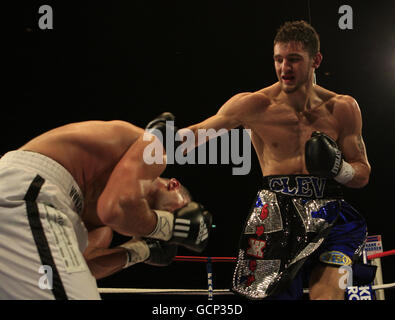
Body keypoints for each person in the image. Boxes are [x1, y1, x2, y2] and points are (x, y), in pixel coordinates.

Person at [181, 20, 371, 300]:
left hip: (331, 214)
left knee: (329, 296)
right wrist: (154, 139)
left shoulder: (343, 108)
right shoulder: (254, 105)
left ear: (316, 60)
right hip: (276, 217)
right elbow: (196, 135)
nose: (285, 68)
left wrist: (339, 168)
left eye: (294, 60)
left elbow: (362, 173)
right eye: (279, 60)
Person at [0, 119, 212, 299]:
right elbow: (115, 208)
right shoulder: (147, 159)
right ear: (173, 186)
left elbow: (85, 266)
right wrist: (168, 227)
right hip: (28, 189)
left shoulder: (100, 227)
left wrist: (142, 250)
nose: (168, 218)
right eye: (177, 211)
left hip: (28, 204)